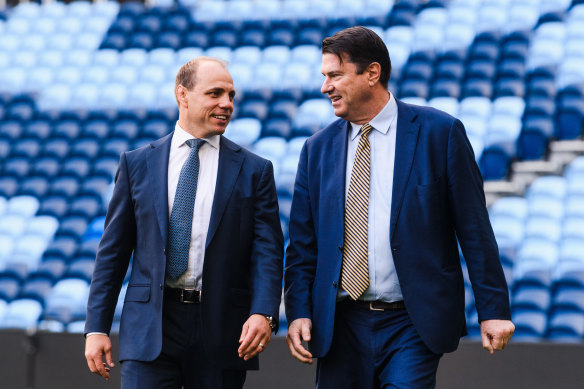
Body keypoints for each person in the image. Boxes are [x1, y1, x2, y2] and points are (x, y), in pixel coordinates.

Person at [284, 26, 515, 388]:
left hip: (412, 321)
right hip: (340, 324)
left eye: (334, 75)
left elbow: (474, 229)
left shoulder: (441, 133)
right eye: (324, 76)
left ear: (372, 73)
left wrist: (494, 310)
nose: (324, 87)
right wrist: (298, 311)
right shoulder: (316, 149)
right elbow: (302, 245)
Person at [84, 57, 284, 389]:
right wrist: (97, 328)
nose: (227, 104)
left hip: (222, 331)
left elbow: (268, 252)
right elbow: (112, 252)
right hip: (150, 328)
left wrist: (263, 312)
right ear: (183, 95)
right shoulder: (136, 164)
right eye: (215, 93)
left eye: (231, 96)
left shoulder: (255, 170)